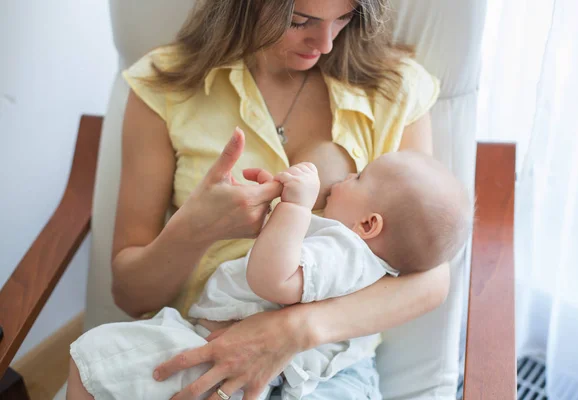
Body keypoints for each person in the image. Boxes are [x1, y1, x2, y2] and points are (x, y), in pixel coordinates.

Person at [67, 1, 452, 399]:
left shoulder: (394, 88)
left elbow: (430, 278)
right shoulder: (165, 86)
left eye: (342, 19)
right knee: (93, 361)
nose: (324, 43)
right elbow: (130, 296)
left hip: (325, 368)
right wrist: (196, 228)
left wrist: (291, 331)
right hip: (195, 345)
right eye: (299, 21)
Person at [67, 149, 472, 400]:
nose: (347, 178)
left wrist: (295, 207)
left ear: (369, 225)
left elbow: (272, 281)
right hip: (245, 361)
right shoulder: (359, 261)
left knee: (96, 355)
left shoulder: (345, 252)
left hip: (231, 356)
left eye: (359, 177)